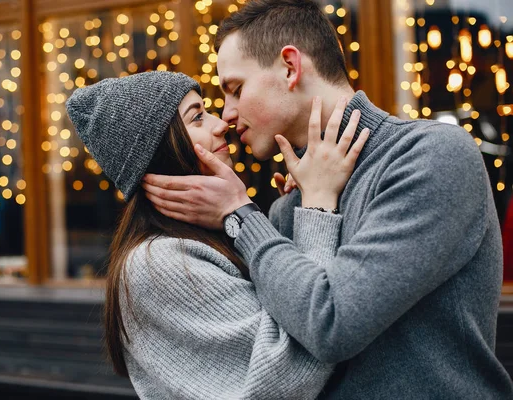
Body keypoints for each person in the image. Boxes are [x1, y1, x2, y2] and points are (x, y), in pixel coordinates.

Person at [141, 1, 513, 398]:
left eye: (235, 89)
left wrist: (240, 217)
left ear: (290, 67)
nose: (228, 114)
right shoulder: (289, 205)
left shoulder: (432, 156)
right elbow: (287, 350)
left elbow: (332, 324)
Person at [65, 71, 368, 399]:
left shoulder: (207, 232)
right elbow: (282, 376)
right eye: (197, 117)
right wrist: (317, 205)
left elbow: (283, 308)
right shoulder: (157, 264)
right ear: (163, 149)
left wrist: (288, 216)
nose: (220, 123)